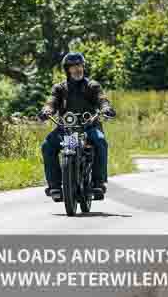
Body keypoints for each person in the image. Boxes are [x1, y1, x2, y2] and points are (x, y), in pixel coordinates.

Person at [38, 52, 116, 202]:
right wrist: (47, 110)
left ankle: (98, 183)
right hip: (67, 130)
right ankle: (54, 186)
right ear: (67, 70)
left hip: (89, 127)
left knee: (100, 141)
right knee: (48, 145)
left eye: (79, 66)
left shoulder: (92, 86)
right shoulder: (60, 88)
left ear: (83, 67)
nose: (77, 69)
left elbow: (102, 98)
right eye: (73, 67)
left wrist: (106, 107)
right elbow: (51, 101)